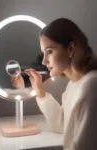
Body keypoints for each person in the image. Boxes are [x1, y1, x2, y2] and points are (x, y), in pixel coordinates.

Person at [24, 18, 97, 150]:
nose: (44, 61)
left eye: (50, 51)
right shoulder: (74, 84)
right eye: (43, 53)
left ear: (71, 49)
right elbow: (63, 124)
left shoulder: (91, 85)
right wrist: (41, 93)